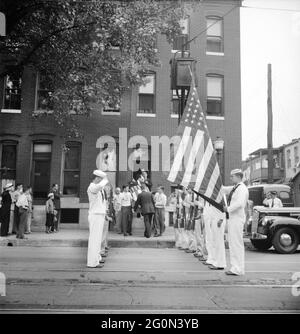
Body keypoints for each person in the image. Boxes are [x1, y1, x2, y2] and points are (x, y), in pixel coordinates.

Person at [223, 168, 249, 276]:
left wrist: (227, 209)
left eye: (232, 176)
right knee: (233, 244)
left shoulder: (241, 188)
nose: (230, 178)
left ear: (238, 177)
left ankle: (238, 269)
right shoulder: (235, 187)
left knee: (236, 244)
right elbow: (224, 189)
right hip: (233, 218)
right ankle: (235, 267)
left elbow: (240, 204)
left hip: (237, 219)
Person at [87, 169, 109, 268]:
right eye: (101, 179)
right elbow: (100, 186)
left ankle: (97, 258)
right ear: (97, 178)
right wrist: (105, 179)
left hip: (99, 214)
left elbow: (103, 203)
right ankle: (92, 262)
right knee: (94, 240)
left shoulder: (98, 188)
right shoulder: (92, 187)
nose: (102, 181)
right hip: (95, 215)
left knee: (98, 239)